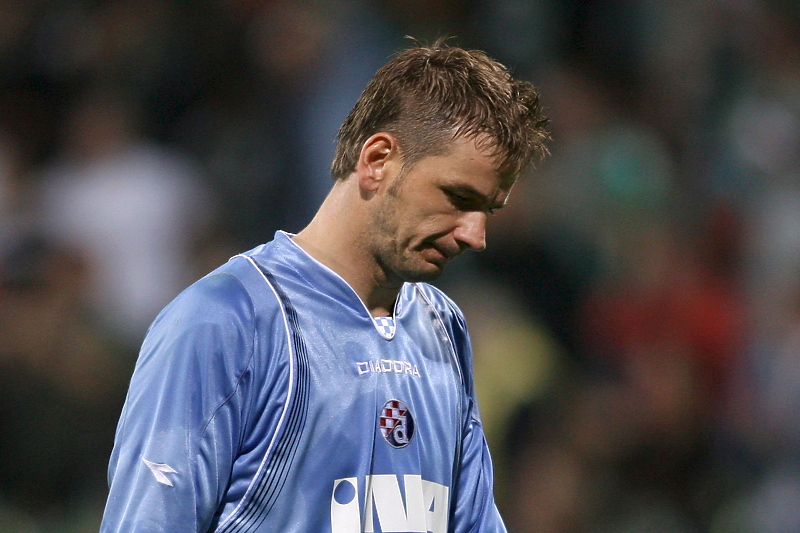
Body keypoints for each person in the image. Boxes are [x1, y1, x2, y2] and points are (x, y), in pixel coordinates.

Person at [100, 40, 550, 533]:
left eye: (488, 210)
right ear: (377, 158)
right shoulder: (227, 319)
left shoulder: (442, 328)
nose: (475, 235)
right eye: (457, 197)